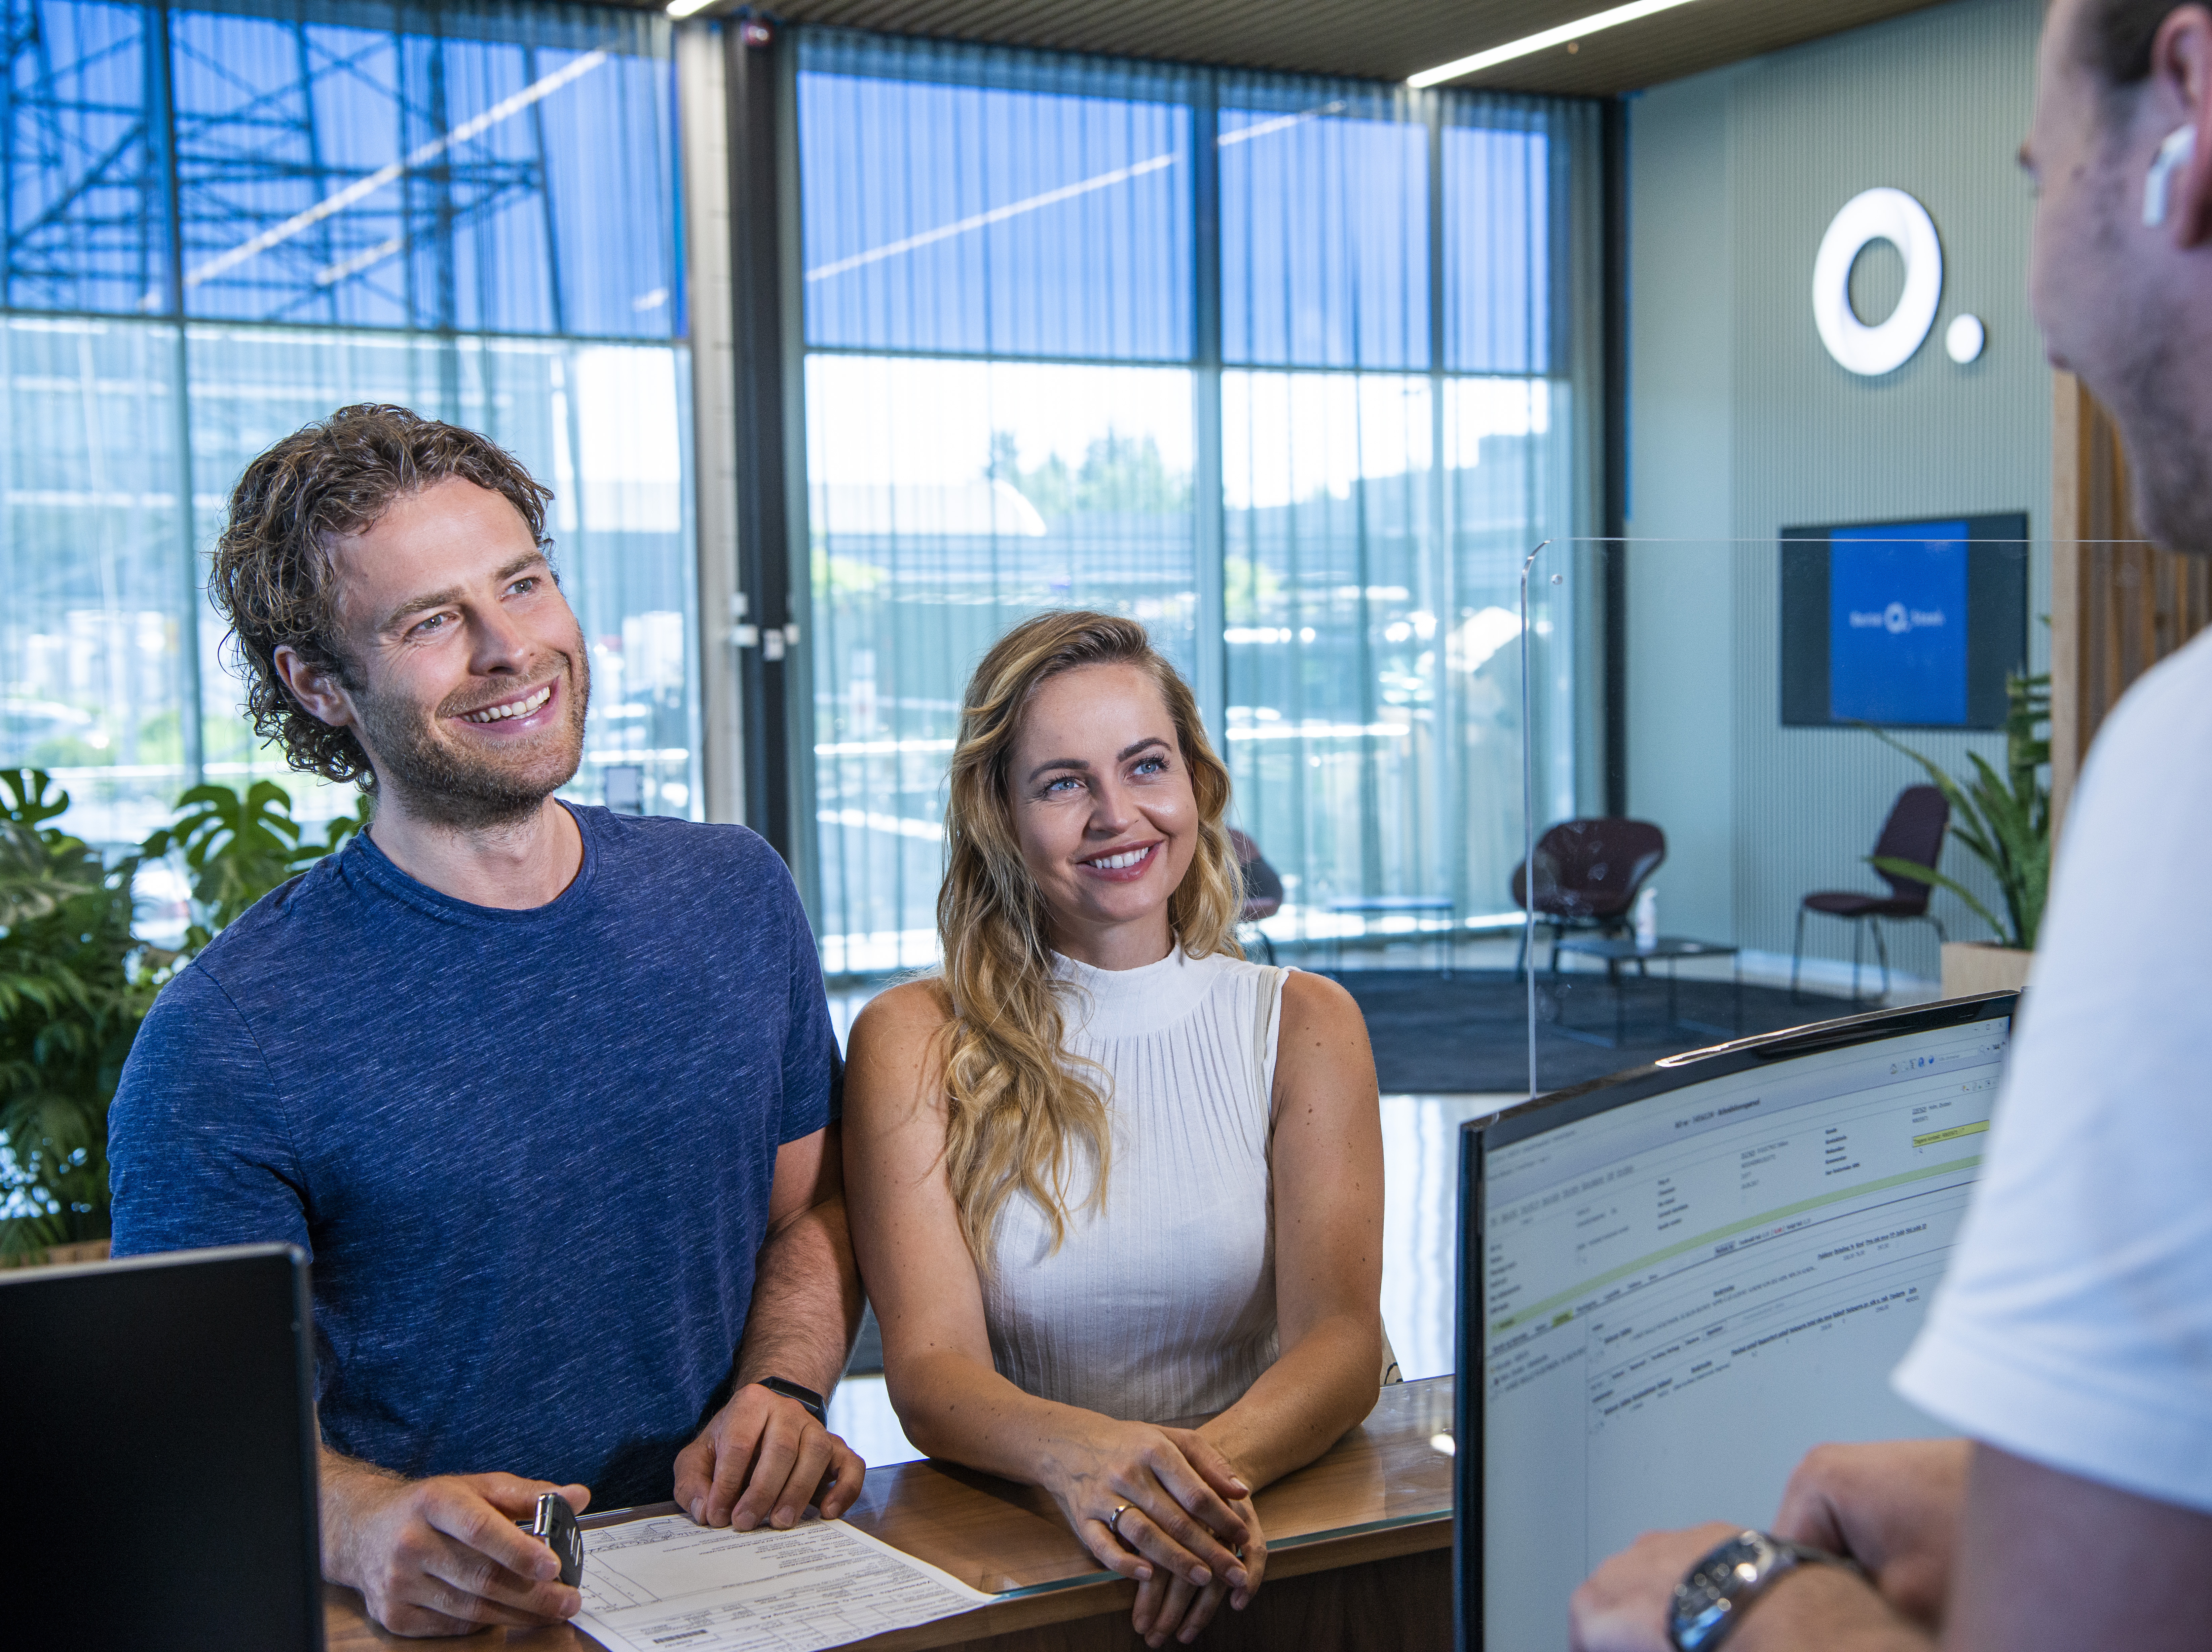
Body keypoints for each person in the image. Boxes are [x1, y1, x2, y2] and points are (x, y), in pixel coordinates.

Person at [1571, 0, 2212, 1648]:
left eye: (2034, 171)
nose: (2040, 297)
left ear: (2189, 116)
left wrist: (1734, 1607)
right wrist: (2083, 1499)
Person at [107, 405, 867, 1639]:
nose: (511, 648)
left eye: (523, 584)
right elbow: (187, 1439)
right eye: (432, 621)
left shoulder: (735, 895)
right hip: (447, 1624)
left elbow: (812, 1209)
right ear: (320, 686)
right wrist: (363, 1525)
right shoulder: (231, 1035)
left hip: (734, 1573)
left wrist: (786, 1385)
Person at [842, 610, 1388, 1651]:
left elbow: (1342, 1342)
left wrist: (1180, 1498)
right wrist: (1086, 1462)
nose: (1116, 814)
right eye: (1062, 783)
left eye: (1146, 766)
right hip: (1036, 1553)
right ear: (999, 815)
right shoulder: (913, 1038)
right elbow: (932, 1372)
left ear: (1196, 786)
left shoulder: (1306, 1021)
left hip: (1259, 1539)